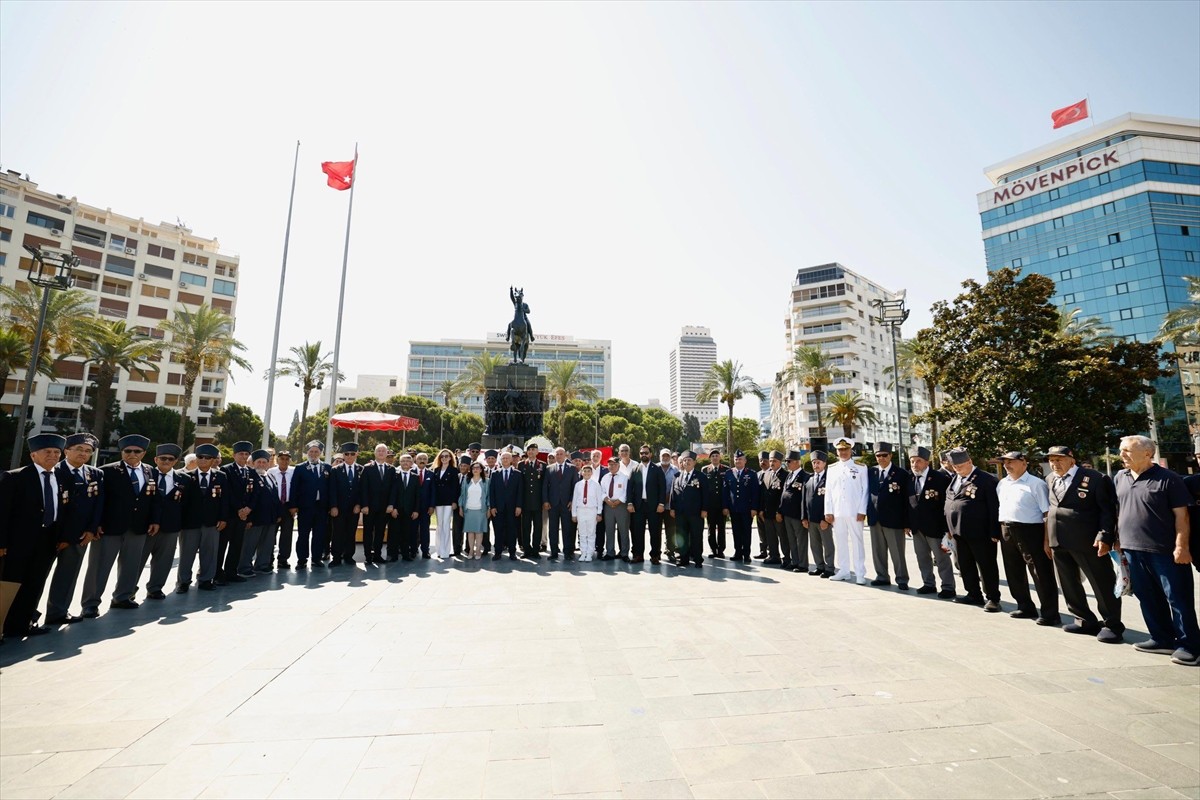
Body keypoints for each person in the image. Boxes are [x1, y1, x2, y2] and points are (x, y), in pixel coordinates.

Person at [1113, 435, 1197, 666]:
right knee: (1147, 597)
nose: (1122, 455)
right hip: (1132, 549)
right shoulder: (1120, 477)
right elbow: (1119, 510)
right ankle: (1161, 639)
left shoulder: (1169, 479)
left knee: (1178, 599)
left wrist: (1181, 546)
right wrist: (1117, 539)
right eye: (1121, 450)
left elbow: (1182, 517)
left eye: (1127, 450)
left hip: (1165, 551)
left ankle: (1190, 646)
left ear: (1147, 453)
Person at [1045, 445, 1123, 643]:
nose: (1054, 464)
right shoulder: (1050, 478)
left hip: (1088, 541)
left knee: (1102, 583)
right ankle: (1083, 620)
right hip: (1058, 539)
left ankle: (1112, 624)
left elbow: (1107, 510)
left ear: (1072, 459)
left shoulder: (1095, 478)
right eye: (1051, 460)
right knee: (1068, 583)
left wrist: (1105, 536)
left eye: (1059, 459)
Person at [81, 434, 160, 615]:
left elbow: (155, 499)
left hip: (138, 527)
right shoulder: (106, 471)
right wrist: (96, 524)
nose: (132, 454)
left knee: (131, 565)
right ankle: (90, 603)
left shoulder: (150, 471)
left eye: (137, 451)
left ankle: (122, 597)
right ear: (122, 452)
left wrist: (155, 520)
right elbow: (99, 500)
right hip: (109, 527)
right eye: (127, 451)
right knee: (99, 567)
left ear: (143, 453)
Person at [0, 434, 69, 639]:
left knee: (35, 583)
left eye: (56, 452)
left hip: (48, 540)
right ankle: (3, 627)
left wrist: (63, 536)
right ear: (33, 455)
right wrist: (1, 542)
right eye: (47, 452)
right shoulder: (15, 477)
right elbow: (2, 512)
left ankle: (23, 624)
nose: (53, 455)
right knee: (11, 583)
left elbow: (66, 509)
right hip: (17, 542)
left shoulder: (63, 477)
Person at [43, 433, 104, 625]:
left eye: (88, 451)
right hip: (52, 534)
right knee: (38, 576)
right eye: (78, 449)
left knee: (68, 576)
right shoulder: (53, 471)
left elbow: (98, 505)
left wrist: (91, 530)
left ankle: (58, 612)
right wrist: (62, 536)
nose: (83, 453)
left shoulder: (95, 474)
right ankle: (27, 615)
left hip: (80, 535)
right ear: (66, 451)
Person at [996, 451, 1059, 625]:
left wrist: (1046, 540)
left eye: (1011, 462)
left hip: (1031, 531)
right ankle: (1024, 605)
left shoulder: (1036, 484)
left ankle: (1050, 613)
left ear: (1024, 463)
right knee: (1013, 570)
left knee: (1040, 572)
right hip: (1006, 529)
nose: (1007, 465)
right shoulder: (1002, 483)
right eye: (1005, 462)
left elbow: (1046, 514)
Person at [943, 447, 1003, 612]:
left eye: (961, 466)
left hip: (980, 532)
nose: (958, 469)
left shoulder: (986, 479)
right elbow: (950, 502)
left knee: (986, 566)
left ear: (970, 461)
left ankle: (993, 598)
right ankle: (973, 593)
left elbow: (994, 507)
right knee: (965, 564)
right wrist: (948, 527)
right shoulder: (955, 479)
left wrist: (994, 531)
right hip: (958, 531)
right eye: (955, 467)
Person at [904, 446, 954, 599]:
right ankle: (928, 583)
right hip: (917, 527)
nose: (915, 464)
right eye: (912, 461)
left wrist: (947, 527)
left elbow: (947, 504)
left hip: (936, 527)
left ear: (927, 462)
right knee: (922, 557)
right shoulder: (909, 478)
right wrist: (907, 524)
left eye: (918, 461)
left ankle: (948, 587)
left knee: (942, 558)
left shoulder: (940, 478)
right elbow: (907, 503)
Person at [177, 444, 228, 592]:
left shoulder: (221, 476)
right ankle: (183, 582)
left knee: (209, 553)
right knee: (186, 554)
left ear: (213, 460)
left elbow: (225, 500)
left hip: (212, 523)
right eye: (200, 457)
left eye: (207, 458)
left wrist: (223, 518)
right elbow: (181, 502)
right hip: (190, 523)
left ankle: (206, 580)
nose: (203, 460)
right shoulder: (187, 476)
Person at [142, 443, 189, 599]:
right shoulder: (146, 475)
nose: (166, 461)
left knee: (164, 560)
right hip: (145, 526)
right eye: (163, 458)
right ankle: (128, 590)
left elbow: (186, 504)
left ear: (175, 461)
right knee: (137, 560)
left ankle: (155, 588)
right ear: (156, 459)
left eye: (170, 459)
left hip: (171, 526)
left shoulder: (184, 479)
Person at [825, 438, 869, 584]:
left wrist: (862, 510)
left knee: (857, 542)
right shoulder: (832, 468)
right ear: (836, 452)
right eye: (840, 450)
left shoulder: (861, 467)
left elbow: (865, 490)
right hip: (837, 511)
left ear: (851, 450)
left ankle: (860, 573)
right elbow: (828, 491)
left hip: (855, 511)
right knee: (840, 541)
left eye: (845, 449)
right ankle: (844, 571)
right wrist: (828, 511)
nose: (843, 452)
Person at [869, 442, 911, 590]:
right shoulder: (871, 472)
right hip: (875, 518)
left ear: (890, 455)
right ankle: (882, 576)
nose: (881, 458)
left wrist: (906, 522)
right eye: (878, 455)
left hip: (894, 520)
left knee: (897, 552)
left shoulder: (902, 474)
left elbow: (907, 500)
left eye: (884, 455)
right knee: (878, 552)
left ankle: (902, 579)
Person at [217, 441, 260, 584]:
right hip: (229, 515)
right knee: (222, 545)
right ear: (234, 455)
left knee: (237, 545)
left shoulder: (251, 472)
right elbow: (227, 493)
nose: (244, 456)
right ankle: (218, 574)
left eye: (246, 454)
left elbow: (255, 493)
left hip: (243, 516)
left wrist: (249, 509)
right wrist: (239, 509)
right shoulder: (226, 470)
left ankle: (231, 572)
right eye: (241, 454)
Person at [241, 450, 283, 576]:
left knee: (267, 543)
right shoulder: (249, 477)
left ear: (268, 464)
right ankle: (244, 567)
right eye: (258, 462)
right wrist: (248, 519)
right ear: (253, 463)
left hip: (270, 517)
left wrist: (278, 514)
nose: (261, 464)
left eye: (264, 462)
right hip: (255, 518)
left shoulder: (270, 476)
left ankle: (262, 565)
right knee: (249, 544)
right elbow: (246, 499)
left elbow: (275, 497)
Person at [291, 441, 330, 570]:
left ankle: (316, 559)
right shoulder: (300, 468)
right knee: (303, 534)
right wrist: (293, 505)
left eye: (316, 452)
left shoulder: (327, 468)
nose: (313, 454)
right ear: (307, 453)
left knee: (319, 534)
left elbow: (330, 488)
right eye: (311, 451)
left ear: (320, 453)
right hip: (305, 507)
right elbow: (294, 487)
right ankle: (302, 560)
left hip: (321, 507)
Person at [628, 444, 667, 565]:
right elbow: (630, 488)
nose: (644, 455)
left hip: (654, 506)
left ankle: (655, 555)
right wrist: (630, 503)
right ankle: (638, 555)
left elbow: (662, 487)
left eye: (646, 453)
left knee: (655, 532)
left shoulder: (657, 469)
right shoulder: (635, 469)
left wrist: (661, 503)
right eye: (641, 453)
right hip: (638, 506)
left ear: (650, 454)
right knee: (637, 532)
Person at [361, 443, 398, 564]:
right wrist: (364, 505)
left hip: (384, 508)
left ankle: (377, 555)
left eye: (383, 451)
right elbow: (363, 488)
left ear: (387, 453)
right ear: (375, 453)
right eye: (379, 451)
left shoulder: (391, 469)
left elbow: (393, 489)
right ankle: (368, 556)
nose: (381, 453)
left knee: (380, 532)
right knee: (368, 532)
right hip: (369, 507)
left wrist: (391, 504)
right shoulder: (367, 468)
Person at [328, 442, 363, 566]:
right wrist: (333, 506)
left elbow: (363, 489)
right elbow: (332, 489)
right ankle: (336, 557)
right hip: (339, 508)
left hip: (354, 508)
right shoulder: (335, 470)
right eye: (346, 454)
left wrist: (359, 504)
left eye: (352, 454)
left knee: (351, 532)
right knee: (337, 533)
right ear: (343, 455)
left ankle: (349, 556)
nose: (349, 456)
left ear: (356, 454)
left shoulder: (361, 469)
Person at [724, 450, 761, 564]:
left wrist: (754, 508)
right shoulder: (729, 473)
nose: (738, 461)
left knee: (746, 532)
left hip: (747, 509)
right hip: (734, 508)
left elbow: (755, 492)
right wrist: (725, 506)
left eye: (740, 459)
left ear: (745, 461)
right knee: (736, 531)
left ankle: (746, 554)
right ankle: (738, 552)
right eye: (736, 459)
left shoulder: (751, 474)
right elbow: (725, 492)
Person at [671, 450, 706, 568]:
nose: (687, 462)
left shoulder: (701, 476)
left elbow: (705, 495)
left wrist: (704, 509)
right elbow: (673, 494)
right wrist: (672, 508)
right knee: (682, 536)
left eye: (689, 460)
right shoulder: (677, 476)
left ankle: (698, 559)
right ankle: (683, 558)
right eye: (684, 460)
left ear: (694, 462)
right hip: (680, 513)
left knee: (696, 536)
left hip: (695, 513)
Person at [801, 450, 834, 577]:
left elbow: (831, 500)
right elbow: (804, 500)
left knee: (827, 544)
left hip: (823, 520)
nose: (816, 465)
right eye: (814, 462)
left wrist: (826, 519)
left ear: (824, 463)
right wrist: (804, 517)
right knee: (815, 545)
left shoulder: (829, 479)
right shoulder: (808, 479)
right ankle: (819, 566)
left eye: (818, 462)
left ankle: (829, 568)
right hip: (811, 519)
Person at [543, 447, 578, 560]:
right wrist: (546, 501)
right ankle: (554, 552)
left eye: (561, 454)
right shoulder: (549, 468)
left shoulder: (572, 468)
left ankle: (567, 552)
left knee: (567, 529)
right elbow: (545, 486)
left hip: (567, 504)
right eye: (557, 454)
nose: (559, 456)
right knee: (553, 529)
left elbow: (575, 487)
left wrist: (572, 500)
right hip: (552, 504)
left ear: (565, 455)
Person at [778, 450, 808, 573]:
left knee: (801, 540)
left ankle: (803, 564)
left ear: (797, 462)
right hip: (787, 513)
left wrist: (804, 516)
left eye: (789, 461)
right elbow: (784, 494)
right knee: (791, 540)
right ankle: (795, 561)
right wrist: (780, 510)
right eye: (786, 461)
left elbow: (804, 498)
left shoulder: (804, 476)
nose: (787, 463)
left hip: (797, 514)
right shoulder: (789, 475)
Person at [488, 450, 522, 561]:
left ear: (511, 460)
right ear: (500, 460)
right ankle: (498, 552)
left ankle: (512, 552)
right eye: (503, 458)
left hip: (513, 508)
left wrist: (519, 506)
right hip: (498, 508)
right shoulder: (495, 474)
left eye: (507, 458)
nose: (505, 460)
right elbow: (491, 492)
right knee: (498, 530)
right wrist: (492, 507)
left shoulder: (517, 474)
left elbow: (520, 492)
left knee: (512, 530)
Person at [266, 450, 296, 569]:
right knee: (271, 534)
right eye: (282, 459)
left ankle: (283, 559)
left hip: (288, 506)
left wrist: (294, 506)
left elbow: (297, 489)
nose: (284, 461)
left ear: (290, 460)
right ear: (277, 460)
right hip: (274, 505)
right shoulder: (271, 472)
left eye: (287, 459)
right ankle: (268, 559)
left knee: (287, 534)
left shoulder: (294, 471)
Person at [757, 451, 786, 565]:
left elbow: (784, 496)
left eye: (774, 461)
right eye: (770, 461)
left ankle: (787, 558)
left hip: (778, 513)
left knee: (783, 537)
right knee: (771, 536)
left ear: (780, 462)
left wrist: (780, 511)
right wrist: (761, 510)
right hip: (768, 512)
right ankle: (774, 556)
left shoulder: (785, 475)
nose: (772, 463)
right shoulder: (767, 474)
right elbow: (763, 493)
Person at [430, 448, 460, 559]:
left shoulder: (454, 470)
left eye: (446, 456)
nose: (444, 458)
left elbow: (455, 487)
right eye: (442, 456)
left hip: (448, 501)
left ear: (450, 458)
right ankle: (439, 549)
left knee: (446, 525)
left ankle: (445, 551)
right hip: (438, 500)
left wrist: (454, 501)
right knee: (439, 525)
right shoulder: (436, 470)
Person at [600, 456, 630, 561]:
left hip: (621, 506)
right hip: (608, 506)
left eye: (614, 464)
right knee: (609, 530)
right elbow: (602, 491)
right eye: (610, 464)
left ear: (618, 465)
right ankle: (610, 552)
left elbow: (626, 492)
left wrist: (618, 501)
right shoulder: (605, 477)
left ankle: (624, 553)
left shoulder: (625, 477)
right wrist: (606, 500)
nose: (611, 466)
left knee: (623, 530)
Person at [701, 448, 730, 559]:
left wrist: (726, 506)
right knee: (711, 528)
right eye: (712, 456)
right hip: (710, 506)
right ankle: (713, 549)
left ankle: (721, 550)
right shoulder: (705, 470)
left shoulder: (726, 469)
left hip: (721, 505)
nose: (715, 458)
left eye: (717, 455)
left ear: (720, 457)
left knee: (721, 528)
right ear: (710, 458)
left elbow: (727, 489)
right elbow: (703, 489)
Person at [458, 462, 491, 559]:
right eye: (473, 468)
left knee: (479, 531)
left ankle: (478, 550)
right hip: (469, 509)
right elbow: (462, 494)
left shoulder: (486, 481)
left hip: (481, 510)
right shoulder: (467, 480)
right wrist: (460, 507)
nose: (475, 470)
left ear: (481, 470)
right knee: (470, 531)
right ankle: (471, 550)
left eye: (477, 468)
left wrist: (489, 508)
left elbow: (489, 496)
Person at [393, 453, 422, 560]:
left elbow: (417, 495)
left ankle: (406, 554)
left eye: (408, 461)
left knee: (407, 533)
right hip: (396, 510)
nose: (405, 463)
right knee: (395, 533)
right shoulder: (395, 475)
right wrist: (393, 508)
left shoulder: (415, 477)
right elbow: (392, 493)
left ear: (411, 463)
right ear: (400, 463)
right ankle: (393, 555)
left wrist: (416, 510)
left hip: (409, 510)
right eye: (403, 461)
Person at [518, 443, 545, 559]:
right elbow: (520, 485)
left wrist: (544, 501)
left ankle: (535, 550)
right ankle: (526, 550)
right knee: (525, 528)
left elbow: (544, 485)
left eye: (533, 449)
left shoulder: (542, 465)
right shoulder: (521, 465)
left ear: (537, 452)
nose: (531, 452)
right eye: (529, 450)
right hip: (525, 502)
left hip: (538, 503)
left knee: (538, 527)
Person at [572, 464, 602, 562]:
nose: (586, 473)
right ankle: (583, 552)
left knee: (591, 533)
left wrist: (599, 513)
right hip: (581, 510)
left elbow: (599, 500)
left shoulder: (596, 484)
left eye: (589, 471)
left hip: (591, 510)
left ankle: (589, 553)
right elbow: (575, 499)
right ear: (581, 473)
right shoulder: (578, 484)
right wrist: (574, 514)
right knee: (582, 533)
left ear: (592, 473)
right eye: (584, 471)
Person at [413, 452, 436, 558]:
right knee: (413, 529)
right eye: (420, 458)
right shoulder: (411, 472)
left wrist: (432, 506)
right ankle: (413, 550)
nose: (422, 460)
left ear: (427, 461)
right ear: (416, 460)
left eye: (424, 459)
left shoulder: (431, 474)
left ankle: (425, 550)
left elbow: (433, 491)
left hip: (426, 507)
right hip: (413, 507)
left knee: (425, 530)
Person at [660, 449, 679, 560]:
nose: (665, 458)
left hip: (670, 505)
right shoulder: (655, 468)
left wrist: (669, 498)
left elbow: (677, 486)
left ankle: (670, 551)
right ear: (660, 457)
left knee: (671, 530)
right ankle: (656, 552)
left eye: (667, 456)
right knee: (656, 530)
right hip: (657, 505)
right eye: (663, 456)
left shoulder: (675, 469)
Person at [453, 454, 471, 557]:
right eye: (461, 465)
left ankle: (468, 549)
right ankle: (457, 549)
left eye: (465, 466)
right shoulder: (456, 476)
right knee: (457, 529)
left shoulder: (472, 478)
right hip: (457, 507)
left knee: (468, 528)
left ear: (469, 467)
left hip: (469, 507)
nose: (463, 467)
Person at [754, 450, 771, 560]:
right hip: (758, 509)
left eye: (765, 460)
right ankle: (763, 551)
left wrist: (763, 509)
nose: (762, 462)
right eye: (760, 460)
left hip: (767, 509)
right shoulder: (757, 474)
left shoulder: (772, 473)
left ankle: (771, 552)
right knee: (761, 532)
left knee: (770, 532)